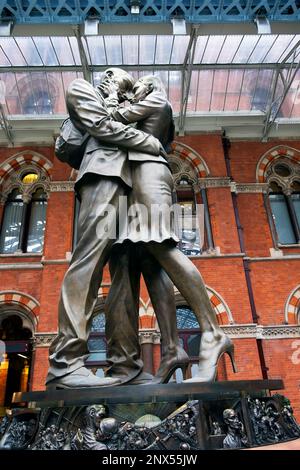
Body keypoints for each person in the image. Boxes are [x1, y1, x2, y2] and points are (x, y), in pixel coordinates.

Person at [106, 75, 236, 384]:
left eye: (136, 87)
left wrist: (114, 95)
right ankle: (171, 350)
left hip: (149, 177)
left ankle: (212, 332)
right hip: (137, 181)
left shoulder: (156, 100)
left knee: (163, 248)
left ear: (149, 86)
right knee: (151, 263)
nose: (131, 91)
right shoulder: (151, 107)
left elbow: (112, 120)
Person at [46, 69, 164, 389]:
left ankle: (125, 366)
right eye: (119, 84)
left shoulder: (125, 108)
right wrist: (146, 141)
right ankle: (66, 362)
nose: (121, 92)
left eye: (127, 90)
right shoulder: (82, 89)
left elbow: (157, 121)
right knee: (88, 262)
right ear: (107, 77)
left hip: (131, 188)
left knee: (126, 276)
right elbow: (100, 127)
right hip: (102, 177)